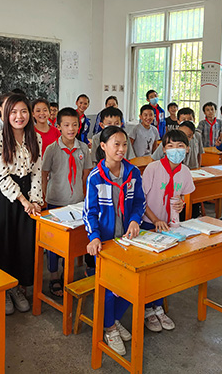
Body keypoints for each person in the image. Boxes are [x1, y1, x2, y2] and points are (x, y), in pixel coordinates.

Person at [84, 126, 145, 356]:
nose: (121, 149)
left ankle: (113, 319)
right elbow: (89, 211)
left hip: (127, 239)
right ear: (103, 147)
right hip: (106, 242)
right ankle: (108, 327)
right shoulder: (95, 177)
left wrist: (135, 220)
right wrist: (94, 237)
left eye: (124, 144)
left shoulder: (133, 173)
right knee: (110, 288)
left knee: (130, 285)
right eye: (115, 144)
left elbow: (139, 202)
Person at [0, 93, 43, 315]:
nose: (19, 116)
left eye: (23, 111)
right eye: (13, 112)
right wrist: (23, 201)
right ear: (5, 113)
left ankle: (18, 287)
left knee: (23, 243)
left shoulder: (35, 138)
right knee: (3, 243)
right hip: (5, 195)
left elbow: (37, 172)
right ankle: (3, 290)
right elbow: (0, 175)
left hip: (28, 194)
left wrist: (36, 200)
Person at [141, 130, 194, 332]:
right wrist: (155, 220)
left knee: (164, 268)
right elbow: (141, 200)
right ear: (163, 149)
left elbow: (182, 197)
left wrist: (180, 204)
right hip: (149, 224)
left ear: (187, 149)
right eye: (170, 146)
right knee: (149, 269)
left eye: (180, 146)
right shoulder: (153, 169)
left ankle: (159, 307)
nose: (175, 150)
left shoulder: (185, 172)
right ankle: (148, 309)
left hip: (171, 227)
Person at [41, 107, 93, 296]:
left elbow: (86, 174)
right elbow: (44, 174)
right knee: (55, 243)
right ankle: (54, 275)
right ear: (58, 126)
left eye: (75, 125)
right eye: (66, 125)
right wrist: (44, 198)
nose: (71, 128)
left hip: (77, 201)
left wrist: (86, 198)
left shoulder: (83, 149)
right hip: (56, 201)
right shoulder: (51, 149)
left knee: (73, 241)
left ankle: (67, 273)